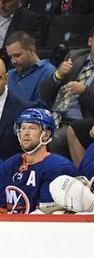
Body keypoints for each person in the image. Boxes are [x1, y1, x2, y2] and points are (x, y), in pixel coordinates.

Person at [0, 108, 78, 214]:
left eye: (32, 128)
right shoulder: (9, 164)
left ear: (46, 135)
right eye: (22, 128)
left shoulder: (59, 167)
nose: (25, 133)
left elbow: (46, 212)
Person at [40, 27, 94, 161]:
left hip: (82, 122)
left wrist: (85, 91)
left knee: (55, 139)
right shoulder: (74, 56)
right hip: (56, 115)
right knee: (26, 132)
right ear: (90, 40)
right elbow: (45, 94)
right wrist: (58, 74)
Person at [5, 31, 56, 109]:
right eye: (10, 57)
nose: (13, 61)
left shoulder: (48, 72)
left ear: (31, 50)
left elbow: (41, 107)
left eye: (17, 55)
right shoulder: (10, 74)